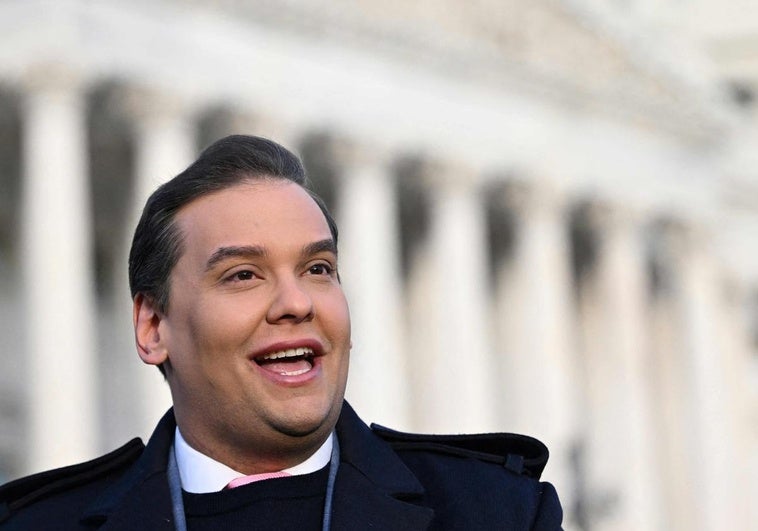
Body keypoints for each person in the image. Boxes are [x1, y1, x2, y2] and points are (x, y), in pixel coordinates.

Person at [0, 135, 563, 530]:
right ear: (153, 328)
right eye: (243, 275)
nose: (297, 303)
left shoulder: (500, 513)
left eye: (318, 269)